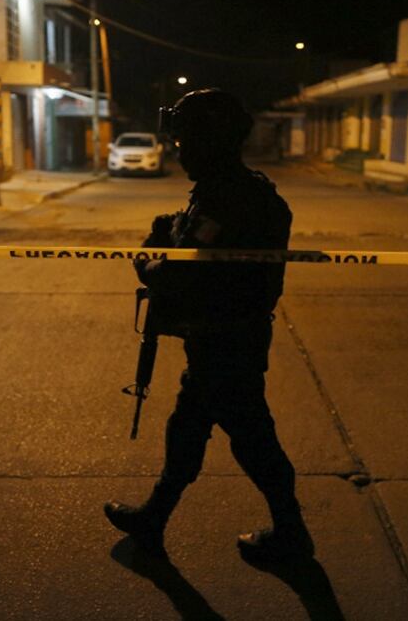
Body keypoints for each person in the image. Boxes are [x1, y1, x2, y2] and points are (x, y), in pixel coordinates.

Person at [104, 89, 313, 562]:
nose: (181, 153)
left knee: (253, 440)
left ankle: (292, 532)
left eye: (186, 143)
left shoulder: (228, 198)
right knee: (187, 429)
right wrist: (173, 230)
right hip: (217, 339)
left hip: (227, 344)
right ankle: (154, 518)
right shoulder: (234, 191)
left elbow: (179, 275)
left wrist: (148, 259)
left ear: (211, 142)